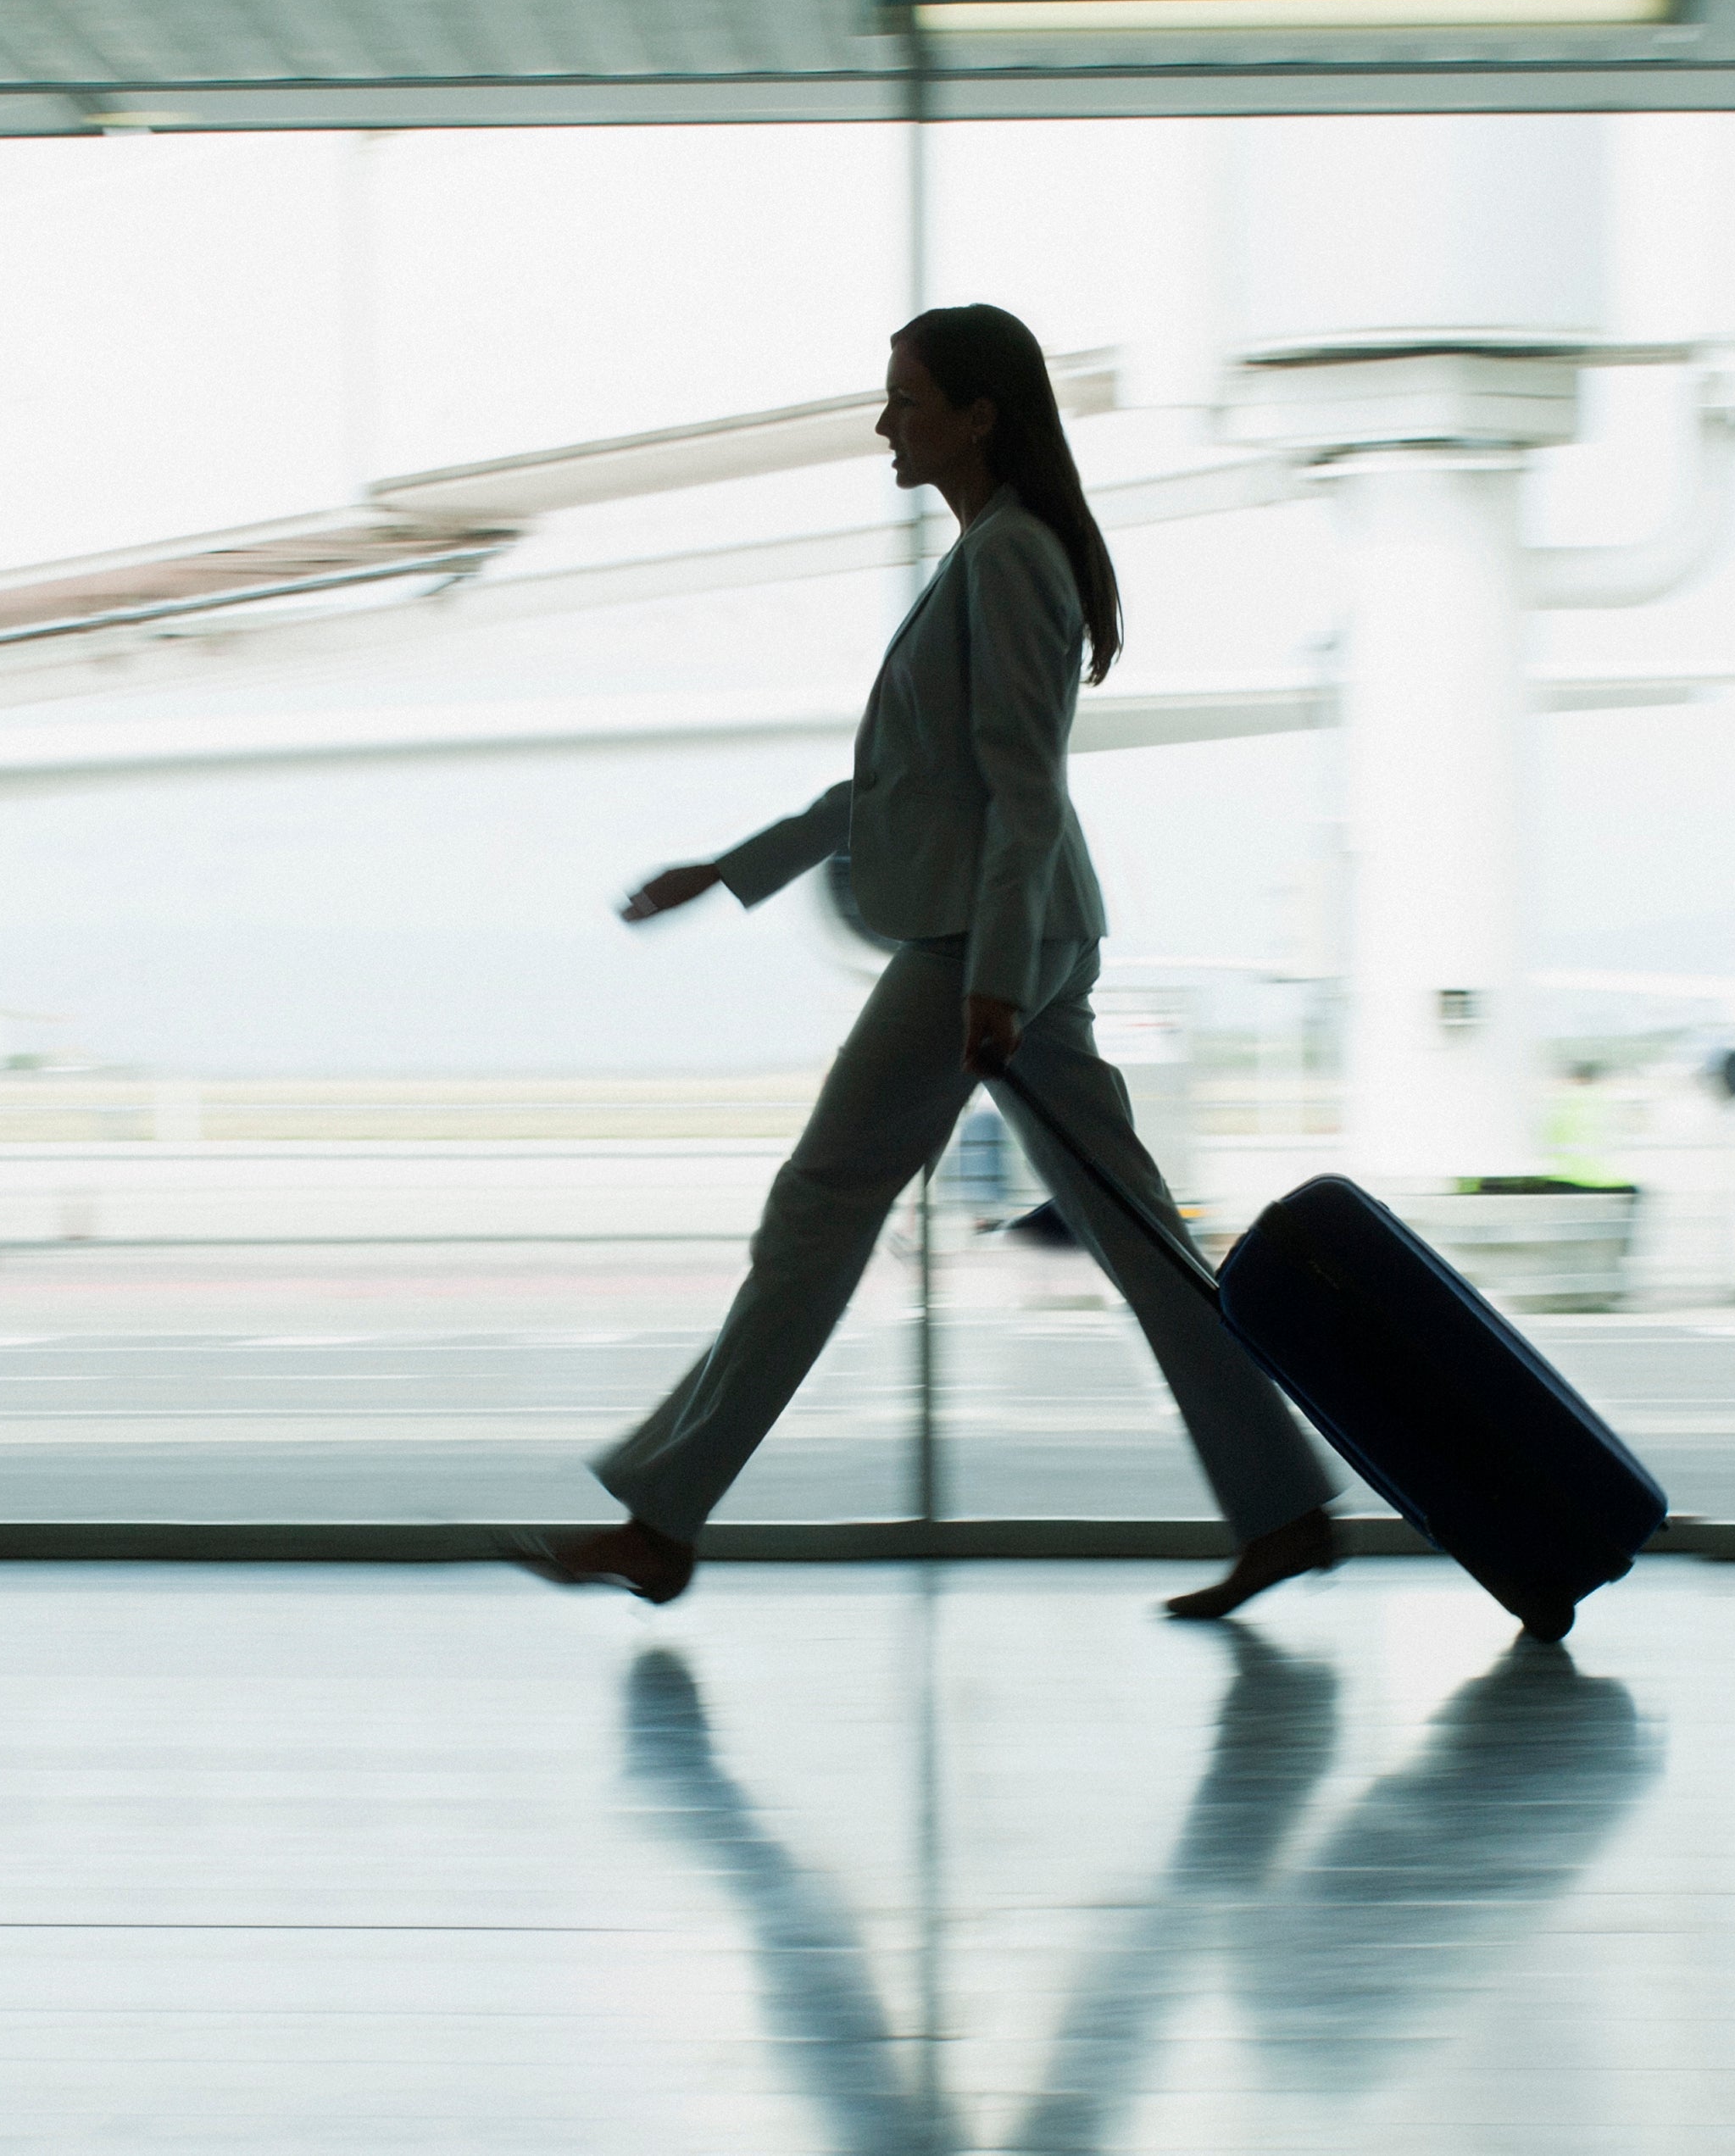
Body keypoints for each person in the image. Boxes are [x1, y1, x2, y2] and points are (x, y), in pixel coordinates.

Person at [518, 304, 1342, 1619]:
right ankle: (1283, 1506)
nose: (885, 422)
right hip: (1010, 940)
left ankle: (664, 1518)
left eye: (906, 398)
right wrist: (732, 872)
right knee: (1134, 1239)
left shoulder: (1009, 560)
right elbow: (897, 789)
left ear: (979, 414)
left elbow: (1023, 791)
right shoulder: (990, 556)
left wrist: (996, 986)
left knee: (819, 1211)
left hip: (981, 946)